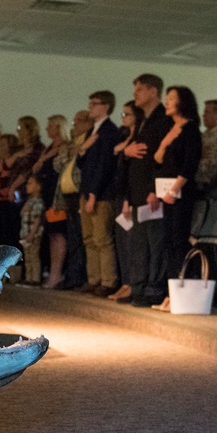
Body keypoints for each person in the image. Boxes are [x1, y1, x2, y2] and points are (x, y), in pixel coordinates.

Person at [119, 73, 173, 307]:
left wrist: (155, 189)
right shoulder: (143, 121)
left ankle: (154, 288)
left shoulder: (164, 120)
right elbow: (134, 157)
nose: (135, 94)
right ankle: (138, 286)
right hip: (137, 192)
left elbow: (165, 160)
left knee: (155, 242)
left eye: (139, 89)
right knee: (139, 243)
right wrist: (126, 152)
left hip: (152, 192)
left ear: (153, 91)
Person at [152, 85, 203, 312]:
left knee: (179, 241)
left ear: (183, 102)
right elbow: (158, 159)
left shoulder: (191, 129)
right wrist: (164, 142)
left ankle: (179, 294)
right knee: (168, 242)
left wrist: (174, 189)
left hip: (180, 192)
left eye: (172, 98)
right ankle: (169, 293)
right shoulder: (171, 128)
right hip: (166, 191)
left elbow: (189, 164)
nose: (167, 102)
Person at [77, 90, 122, 297]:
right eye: (90, 102)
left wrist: (94, 193)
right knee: (88, 237)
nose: (90, 107)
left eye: (94, 103)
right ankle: (93, 278)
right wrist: (83, 149)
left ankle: (107, 280)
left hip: (101, 193)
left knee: (102, 237)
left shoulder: (110, 131)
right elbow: (81, 164)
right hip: (87, 189)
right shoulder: (92, 131)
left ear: (105, 106)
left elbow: (105, 165)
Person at [108, 101, 144, 301]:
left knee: (130, 241)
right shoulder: (124, 137)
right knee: (121, 241)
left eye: (127, 114)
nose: (124, 118)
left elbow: (133, 171)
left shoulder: (138, 138)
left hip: (129, 194)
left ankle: (131, 283)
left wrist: (128, 199)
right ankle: (125, 282)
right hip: (119, 191)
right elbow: (115, 153)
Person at [54, 111, 90, 290]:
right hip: (67, 195)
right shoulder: (69, 145)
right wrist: (70, 152)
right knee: (73, 236)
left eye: (77, 123)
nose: (74, 126)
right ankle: (73, 274)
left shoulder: (89, 140)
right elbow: (58, 164)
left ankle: (82, 276)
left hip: (81, 193)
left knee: (84, 236)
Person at [32, 114, 70, 289]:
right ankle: (53, 272)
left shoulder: (64, 146)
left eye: (50, 125)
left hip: (58, 196)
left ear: (58, 127)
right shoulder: (49, 148)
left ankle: (57, 273)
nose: (47, 129)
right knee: (52, 234)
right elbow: (36, 168)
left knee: (58, 234)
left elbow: (62, 168)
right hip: (48, 195)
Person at [19, 176, 45, 285]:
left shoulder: (39, 202)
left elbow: (38, 219)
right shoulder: (29, 201)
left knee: (34, 256)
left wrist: (32, 233)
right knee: (28, 256)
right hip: (25, 233)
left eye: (30, 183)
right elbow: (22, 214)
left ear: (38, 187)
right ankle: (28, 277)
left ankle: (35, 278)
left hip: (33, 234)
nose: (27, 186)